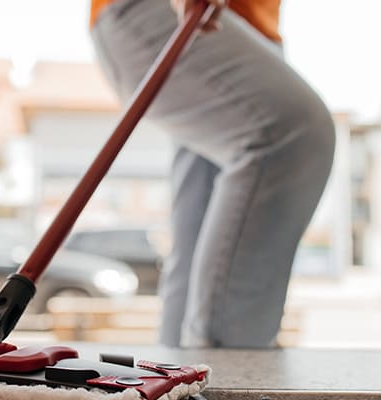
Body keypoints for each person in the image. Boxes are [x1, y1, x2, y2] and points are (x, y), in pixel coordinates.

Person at [90, 0, 335, 348]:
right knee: (292, 133)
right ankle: (227, 377)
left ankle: (176, 377)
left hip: (243, 27)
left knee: (198, 246)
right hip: (172, 11)